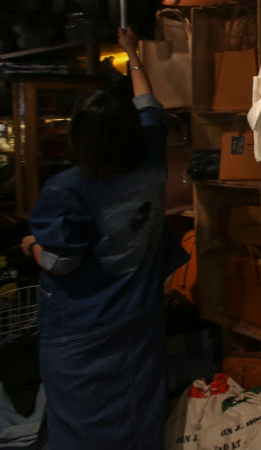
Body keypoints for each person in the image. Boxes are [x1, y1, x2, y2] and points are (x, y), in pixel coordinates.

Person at [20, 27, 184, 448]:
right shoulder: (149, 156)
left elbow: (62, 262)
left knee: (80, 422)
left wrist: (31, 246)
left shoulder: (68, 188)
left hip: (84, 327)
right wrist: (133, 54)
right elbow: (148, 105)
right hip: (139, 316)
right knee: (138, 409)